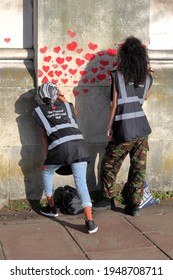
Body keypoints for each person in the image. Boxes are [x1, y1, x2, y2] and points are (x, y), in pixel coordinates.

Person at [93, 36, 153, 216]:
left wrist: (109, 126)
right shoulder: (148, 77)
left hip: (124, 127)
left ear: (124, 56)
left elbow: (115, 104)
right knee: (138, 167)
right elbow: (144, 98)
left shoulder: (117, 75)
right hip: (142, 129)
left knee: (110, 163)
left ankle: (107, 199)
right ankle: (134, 205)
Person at [33, 82, 98, 234]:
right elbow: (75, 112)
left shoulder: (38, 111)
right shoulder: (68, 106)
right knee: (81, 182)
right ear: (57, 94)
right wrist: (62, 97)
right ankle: (90, 222)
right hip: (79, 145)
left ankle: (51, 207)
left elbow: (44, 137)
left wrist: (47, 156)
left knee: (47, 171)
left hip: (59, 147)